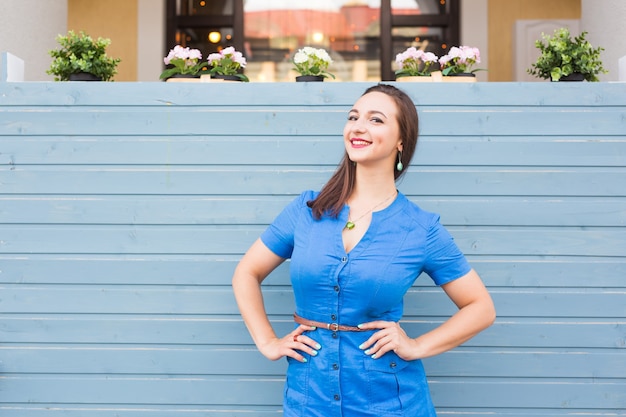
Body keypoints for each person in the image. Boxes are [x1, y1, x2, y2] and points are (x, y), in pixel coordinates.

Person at [231, 83, 496, 417]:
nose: (358, 126)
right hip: (308, 401)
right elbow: (246, 272)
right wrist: (267, 342)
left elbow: (481, 307)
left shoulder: (421, 228)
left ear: (402, 140)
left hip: (391, 403)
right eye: (353, 117)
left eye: (376, 120)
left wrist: (415, 346)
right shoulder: (306, 211)